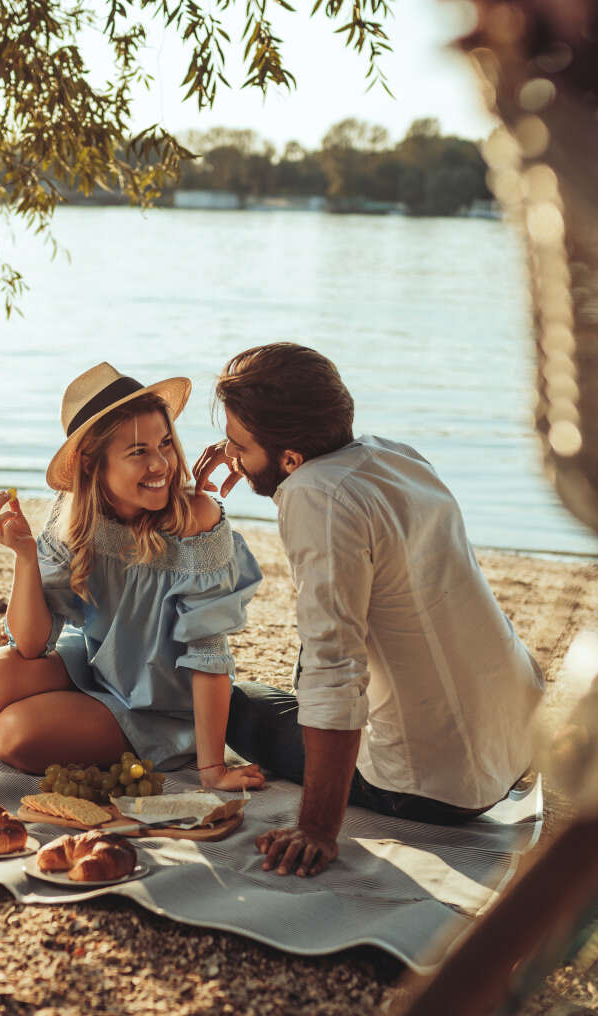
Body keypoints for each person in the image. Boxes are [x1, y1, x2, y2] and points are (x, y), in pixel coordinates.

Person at [193, 343, 544, 876]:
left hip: (432, 787)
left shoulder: (316, 497)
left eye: (239, 446)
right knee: (288, 680)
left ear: (290, 457)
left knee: (230, 706)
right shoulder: (392, 455)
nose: (232, 458)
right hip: (517, 738)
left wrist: (315, 827)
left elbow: (336, 671)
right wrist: (254, 453)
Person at [0, 362, 265, 792]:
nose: (161, 465)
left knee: (13, 736)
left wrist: (212, 769)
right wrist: (25, 557)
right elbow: (30, 644)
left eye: (165, 445)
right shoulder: (74, 515)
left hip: (161, 705)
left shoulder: (198, 520)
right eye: (138, 452)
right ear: (90, 463)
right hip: (95, 663)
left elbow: (209, 653)